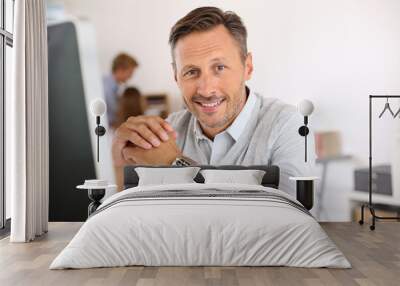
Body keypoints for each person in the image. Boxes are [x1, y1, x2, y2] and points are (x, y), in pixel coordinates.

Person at [112, 7, 315, 196]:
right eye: (191, 72)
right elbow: (137, 220)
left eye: (219, 68)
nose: (206, 89)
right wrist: (121, 167)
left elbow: (290, 218)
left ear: (248, 67)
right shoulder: (168, 131)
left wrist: (174, 164)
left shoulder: (290, 125)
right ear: (176, 77)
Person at [103, 53, 139, 127]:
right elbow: (116, 111)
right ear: (120, 69)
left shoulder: (114, 86)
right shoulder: (106, 87)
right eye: (130, 72)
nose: (131, 76)